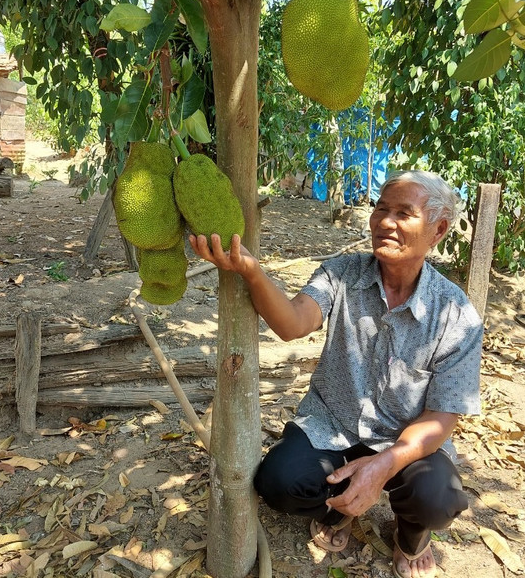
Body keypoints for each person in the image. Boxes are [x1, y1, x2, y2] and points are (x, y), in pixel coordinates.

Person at [188, 170, 483, 578]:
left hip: (403, 439)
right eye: (381, 208)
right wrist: (251, 271)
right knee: (278, 482)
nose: (385, 222)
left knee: (438, 499)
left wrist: (385, 465)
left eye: (403, 213)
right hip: (333, 425)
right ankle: (339, 512)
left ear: (437, 230)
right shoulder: (342, 273)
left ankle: (410, 538)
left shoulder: (456, 313)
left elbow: (442, 417)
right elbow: (293, 323)